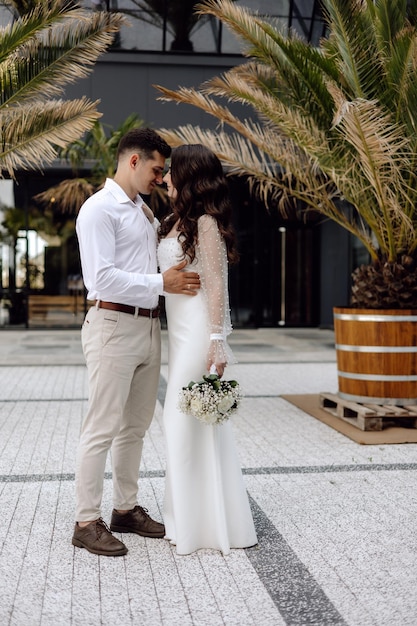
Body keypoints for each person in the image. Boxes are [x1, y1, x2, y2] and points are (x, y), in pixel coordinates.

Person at [72, 128, 200, 557]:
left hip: (148, 327)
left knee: (135, 428)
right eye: (157, 169)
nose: (161, 179)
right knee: (101, 427)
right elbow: (100, 279)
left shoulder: (143, 211)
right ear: (133, 161)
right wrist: (161, 282)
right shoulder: (98, 211)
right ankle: (86, 521)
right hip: (112, 323)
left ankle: (124, 509)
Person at [157, 144, 257, 555]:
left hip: (198, 333)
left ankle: (203, 526)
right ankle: (188, 518)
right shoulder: (172, 221)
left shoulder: (206, 224)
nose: (165, 178)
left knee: (182, 422)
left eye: (172, 172)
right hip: (177, 334)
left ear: (189, 176)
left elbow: (216, 286)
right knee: (184, 426)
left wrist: (217, 341)